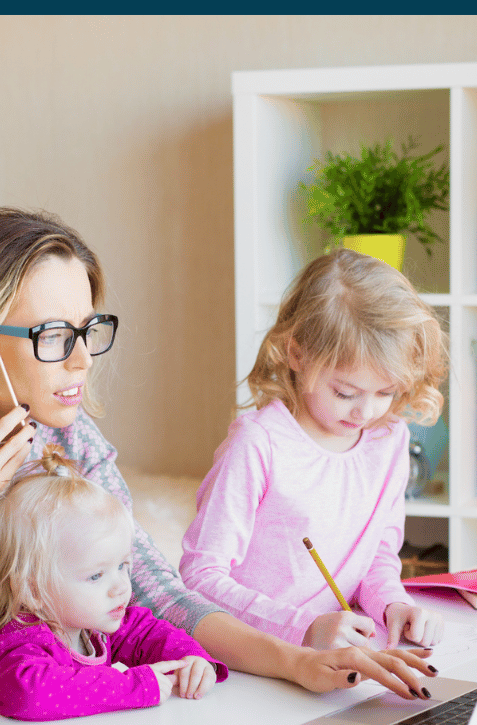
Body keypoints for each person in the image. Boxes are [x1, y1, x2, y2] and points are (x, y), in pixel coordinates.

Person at [0, 208, 434, 725]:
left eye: (87, 331)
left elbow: (161, 594)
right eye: (53, 338)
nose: (82, 362)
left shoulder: (66, 438)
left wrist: (297, 660)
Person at [180, 249, 447, 656]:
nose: (366, 411)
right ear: (297, 353)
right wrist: (303, 628)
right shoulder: (258, 445)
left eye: (386, 392)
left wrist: (395, 605)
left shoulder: (388, 438)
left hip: (335, 655)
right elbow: (200, 578)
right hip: (258, 657)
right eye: (345, 392)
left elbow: (377, 558)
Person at [0, 447, 224, 725]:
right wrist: (134, 686)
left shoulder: (92, 621)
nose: (120, 587)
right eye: (95, 576)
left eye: (122, 566)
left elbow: (150, 634)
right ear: (32, 590)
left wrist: (192, 661)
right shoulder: (16, 638)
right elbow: (31, 694)